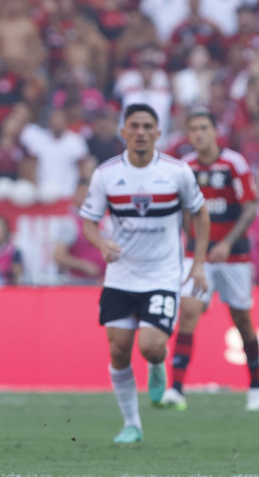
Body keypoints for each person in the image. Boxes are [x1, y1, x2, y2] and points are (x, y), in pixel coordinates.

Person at [80, 103, 210, 444]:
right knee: (119, 351)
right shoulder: (106, 174)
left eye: (147, 126)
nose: (140, 132)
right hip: (121, 275)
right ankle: (132, 424)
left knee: (151, 347)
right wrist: (101, 243)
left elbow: (200, 213)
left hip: (163, 273)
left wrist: (197, 263)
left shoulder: (177, 171)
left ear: (158, 133)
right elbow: (89, 223)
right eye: (134, 126)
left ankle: (157, 365)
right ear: (123, 132)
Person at [161, 109, 259, 412]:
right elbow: (183, 212)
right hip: (199, 256)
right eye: (193, 128)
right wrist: (193, 244)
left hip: (235, 256)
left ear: (215, 130)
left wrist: (228, 242)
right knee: (189, 311)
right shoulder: (186, 167)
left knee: (242, 321)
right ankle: (177, 388)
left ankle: (256, 384)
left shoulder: (234, 163)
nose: (198, 133)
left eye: (204, 127)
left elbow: (249, 208)